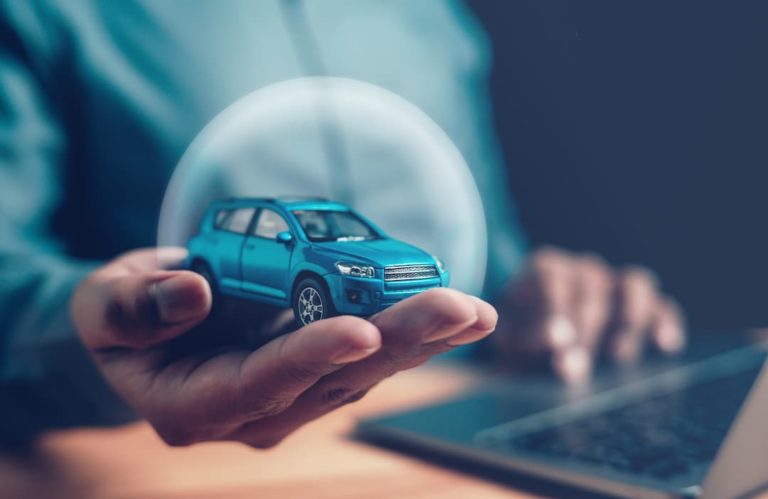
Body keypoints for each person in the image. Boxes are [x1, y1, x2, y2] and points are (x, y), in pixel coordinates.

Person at [0, 0, 684, 448]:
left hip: (467, 446)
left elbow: (483, 250)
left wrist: (539, 299)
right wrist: (88, 332)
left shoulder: (433, 18)